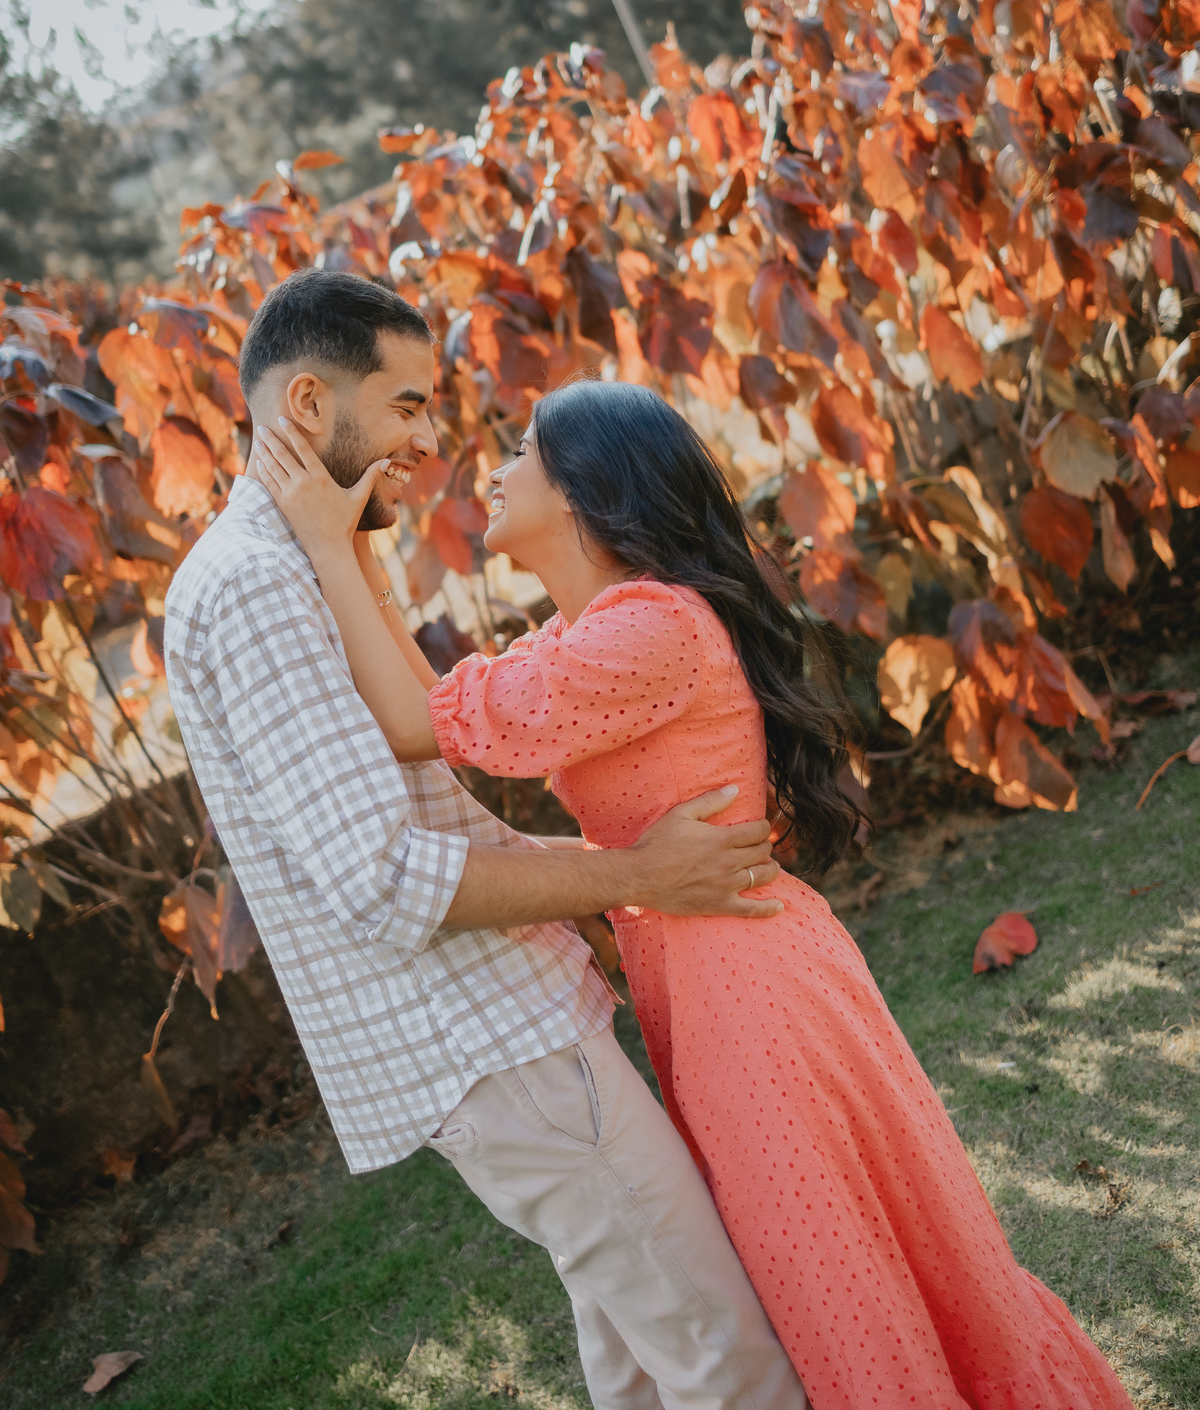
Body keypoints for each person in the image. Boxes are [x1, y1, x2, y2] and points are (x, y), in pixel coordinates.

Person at [255, 370, 1137, 1410]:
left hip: (749, 994)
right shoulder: (602, 629)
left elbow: (413, 726)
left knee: (834, 1279)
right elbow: (445, 709)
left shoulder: (650, 633)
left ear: (583, 490)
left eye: (523, 452)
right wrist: (358, 553)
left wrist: (328, 546)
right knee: (840, 1264)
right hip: (723, 972)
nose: (494, 469)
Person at [165, 270, 809, 1410]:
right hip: (491, 1043)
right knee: (729, 1357)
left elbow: (426, 787)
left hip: (507, 1031)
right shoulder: (256, 584)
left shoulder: (301, 562)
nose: (430, 442)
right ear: (309, 404)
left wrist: (591, 884)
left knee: (641, 1361)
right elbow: (381, 877)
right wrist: (637, 875)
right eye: (407, 406)